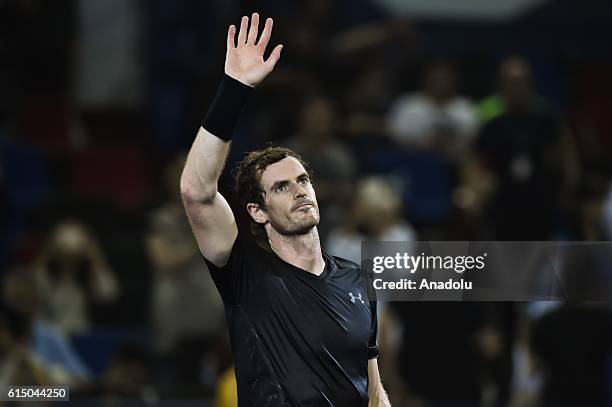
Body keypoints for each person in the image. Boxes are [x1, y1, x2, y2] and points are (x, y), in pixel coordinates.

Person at [180, 13, 390, 406]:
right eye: (281, 186)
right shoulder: (245, 273)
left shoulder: (358, 281)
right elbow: (195, 190)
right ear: (258, 212)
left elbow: (375, 390)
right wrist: (235, 90)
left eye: (303, 180)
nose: (299, 191)